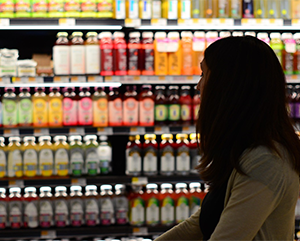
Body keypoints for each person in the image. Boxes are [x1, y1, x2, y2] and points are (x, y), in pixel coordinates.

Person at [154, 36, 300, 241]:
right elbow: (200, 224)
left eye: (204, 74)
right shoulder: (244, 148)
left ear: (228, 87)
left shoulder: (266, 161)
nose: (198, 86)